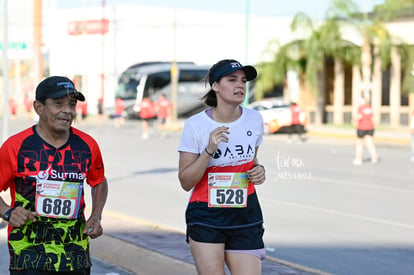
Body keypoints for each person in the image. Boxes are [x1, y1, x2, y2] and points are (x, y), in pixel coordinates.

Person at [0, 76, 109, 274]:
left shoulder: (87, 145)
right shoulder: (16, 146)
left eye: (72, 104)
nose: (67, 110)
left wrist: (96, 216)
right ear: (39, 107)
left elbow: (99, 181)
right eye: (58, 104)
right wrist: (7, 212)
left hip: (74, 254)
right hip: (28, 252)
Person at [178, 59, 266, 275]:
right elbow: (186, 182)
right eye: (232, 79)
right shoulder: (196, 125)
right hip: (207, 215)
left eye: (244, 81)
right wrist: (209, 150)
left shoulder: (254, 119)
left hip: (245, 213)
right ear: (216, 86)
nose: (241, 85)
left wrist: (259, 171)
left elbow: (251, 162)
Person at [353, 97, 378, 165]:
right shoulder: (370, 108)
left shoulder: (360, 108)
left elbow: (359, 117)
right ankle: (374, 158)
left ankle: (358, 158)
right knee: (370, 143)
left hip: (361, 128)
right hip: (370, 127)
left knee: (359, 144)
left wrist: (354, 120)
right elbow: (373, 118)